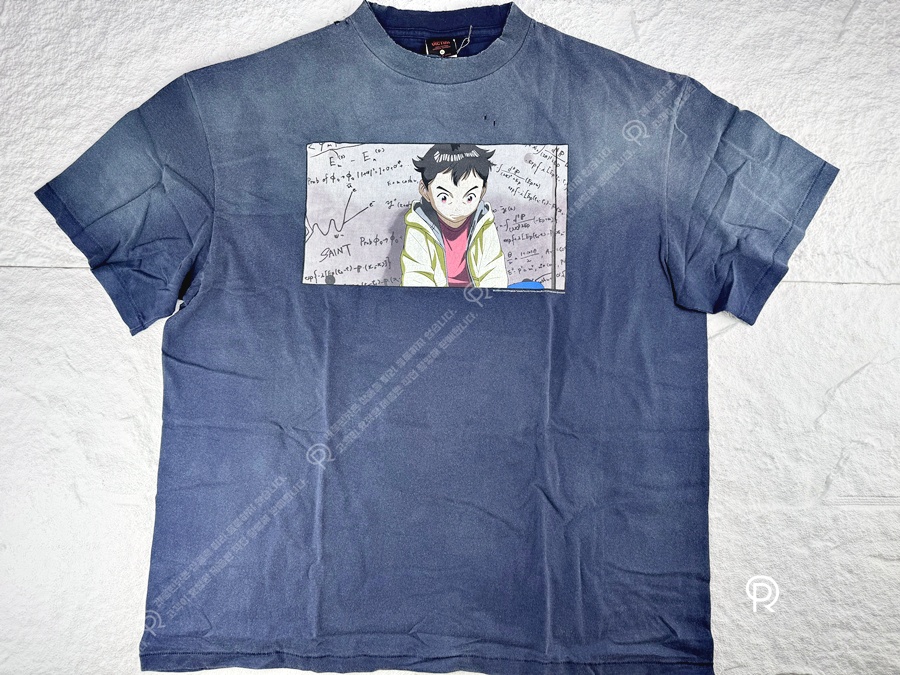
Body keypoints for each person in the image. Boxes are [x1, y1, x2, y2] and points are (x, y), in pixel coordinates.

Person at [400, 143, 509, 288]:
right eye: (444, 197)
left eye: (469, 197)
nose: (457, 207)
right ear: (425, 190)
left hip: (478, 296)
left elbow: (493, 273)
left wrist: (487, 299)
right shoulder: (419, 226)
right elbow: (416, 277)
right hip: (435, 298)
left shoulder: (483, 222)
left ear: (483, 191)